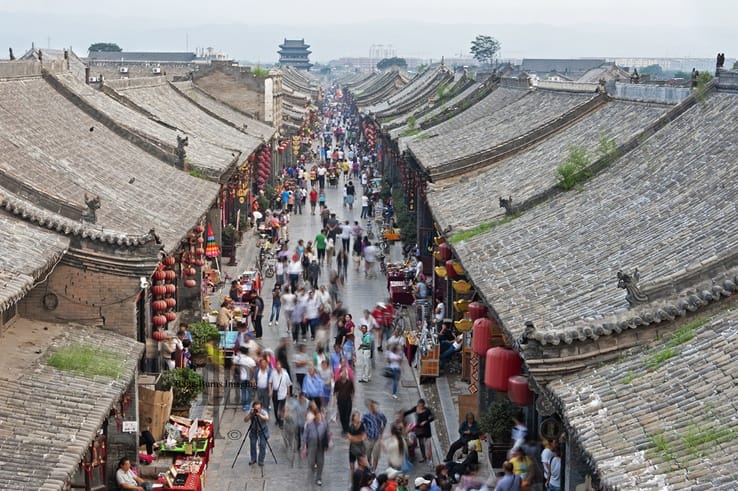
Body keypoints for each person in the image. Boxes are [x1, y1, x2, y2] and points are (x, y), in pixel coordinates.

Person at [303, 405, 330, 486]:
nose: (319, 418)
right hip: (312, 444)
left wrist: (328, 443)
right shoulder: (309, 424)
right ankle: (311, 475)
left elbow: (327, 434)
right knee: (311, 462)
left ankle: (319, 478)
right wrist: (304, 446)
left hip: (321, 444)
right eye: (317, 416)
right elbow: (305, 435)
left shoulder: (324, 423)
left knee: (320, 462)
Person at [362, 399, 388, 471]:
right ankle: (370, 465)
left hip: (377, 438)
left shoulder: (380, 415)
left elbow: (385, 421)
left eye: (373, 406)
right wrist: (364, 433)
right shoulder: (366, 415)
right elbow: (362, 424)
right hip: (369, 438)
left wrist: (382, 432)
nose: (373, 408)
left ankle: (373, 470)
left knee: (376, 456)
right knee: (367, 454)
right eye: (370, 406)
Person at [244, 399, 270, 466]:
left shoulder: (263, 412)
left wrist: (260, 415)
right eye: (256, 408)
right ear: (253, 408)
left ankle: (261, 460)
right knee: (252, 444)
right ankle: (253, 459)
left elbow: (267, 418)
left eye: (259, 408)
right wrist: (250, 414)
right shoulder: (251, 411)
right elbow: (245, 420)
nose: (257, 410)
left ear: (261, 408)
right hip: (253, 430)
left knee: (262, 445)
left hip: (263, 430)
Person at [233, 346, 256, 411]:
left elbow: (234, 364)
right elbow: (253, 370)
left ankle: (244, 405)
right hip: (249, 378)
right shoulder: (250, 360)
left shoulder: (239, 359)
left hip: (242, 378)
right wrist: (253, 378)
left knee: (243, 391)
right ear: (247, 352)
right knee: (250, 392)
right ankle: (248, 405)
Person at [270, 360, 292, 427]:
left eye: (279, 365)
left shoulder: (285, 374)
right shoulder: (273, 373)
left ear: (281, 366)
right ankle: (277, 419)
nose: (278, 367)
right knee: (276, 408)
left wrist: (288, 394)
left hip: (283, 394)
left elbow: (288, 384)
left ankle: (281, 420)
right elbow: (270, 382)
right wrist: (270, 391)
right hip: (275, 393)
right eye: (277, 365)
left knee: (282, 408)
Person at [348, 410, 368, 480]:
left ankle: (361, 480)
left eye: (359, 416)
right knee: (352, 466)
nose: (358, 417)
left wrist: (355, 438)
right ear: (353, 417)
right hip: (352, 448)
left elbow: (364, 437)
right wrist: (359, 438)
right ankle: (352, 481)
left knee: (361, 465)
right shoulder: (350, 426)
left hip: (360, 448)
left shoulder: (362, 425)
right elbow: (350, 438)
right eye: (357, 416)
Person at [334, 368, 355, 434]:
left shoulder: (349, 382)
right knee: (342, 415)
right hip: (340, 401)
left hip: (348, 400)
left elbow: (352, 391)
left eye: (345, 373)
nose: (344, 375)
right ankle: (344, 428)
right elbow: (335, 391)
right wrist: (335, 400)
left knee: (347, 414)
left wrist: (353, 399)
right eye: (342, 373)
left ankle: (347, 427)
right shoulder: (337, 382)